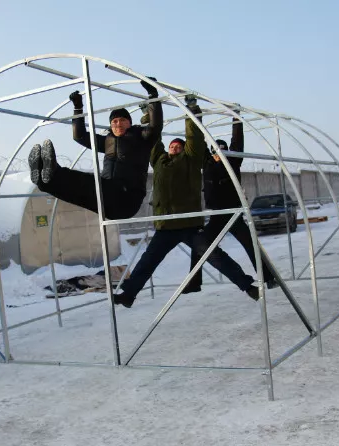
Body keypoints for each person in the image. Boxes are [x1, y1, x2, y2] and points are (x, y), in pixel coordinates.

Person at [113, 98, 259, 308]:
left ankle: (247, 286)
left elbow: (194, 137)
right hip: (165, 227)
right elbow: (153, 140)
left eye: (178, 145)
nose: (173, 147)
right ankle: (128, 295)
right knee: (147, 262)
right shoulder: (159, 161)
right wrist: (148, 115)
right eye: (171, 145)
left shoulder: (190, 160)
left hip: (189, 225)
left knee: (214, 255)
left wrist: (192, 110)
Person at [27, 79, 163, 220]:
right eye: (114, 121)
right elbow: (79, 136)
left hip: (127, 199)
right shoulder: (107, 141)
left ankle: (54, 171)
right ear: (110, 125)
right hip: (108, 202)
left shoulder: (142, 137)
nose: (118, 124)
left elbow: (155, 126)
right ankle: (44, 182)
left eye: (122, 120)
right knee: (75, 193)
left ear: (130, 122)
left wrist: (152, 94)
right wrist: (78, 107)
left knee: (87, 183)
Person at [183, 110, 279, 293]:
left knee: (251, 246)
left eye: (222, 151)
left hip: (233, 214)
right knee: (200, 244)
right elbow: (199, 141)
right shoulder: (207, 163)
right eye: (216, 151)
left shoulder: (233, 162)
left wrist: (236, 119)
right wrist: (195, 117)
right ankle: (194, 281)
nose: (219, 154)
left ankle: (268, 278)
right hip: (216, 216)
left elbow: (237, 142)